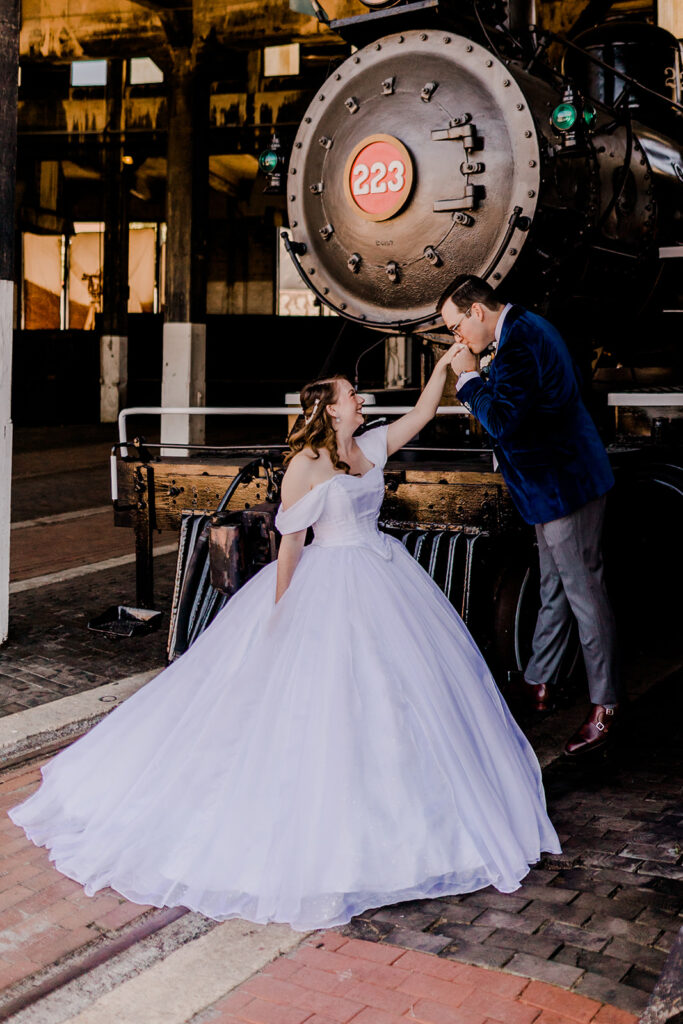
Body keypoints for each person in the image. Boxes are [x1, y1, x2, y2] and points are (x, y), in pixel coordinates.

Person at [9, 349, 560, 932]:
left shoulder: (366, 446)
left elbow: (424, 413)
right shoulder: (306, 466)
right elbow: (290, 545)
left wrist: (447, 367)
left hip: (382, 576)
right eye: (352, 393)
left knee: (394, 696)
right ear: (328, 407)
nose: (361, 399)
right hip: (329, 582)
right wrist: (283, 613)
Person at [441, 274, 620, 756]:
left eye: (456, 327)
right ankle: (539, 681)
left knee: (584, 591)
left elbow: (501, 419)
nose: (457, 339)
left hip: (565, 486)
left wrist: (468, 378)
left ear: (476, 311)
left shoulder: (519, 342)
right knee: (554, 585)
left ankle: (605, 704)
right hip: (550, 485)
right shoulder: (523, 327)